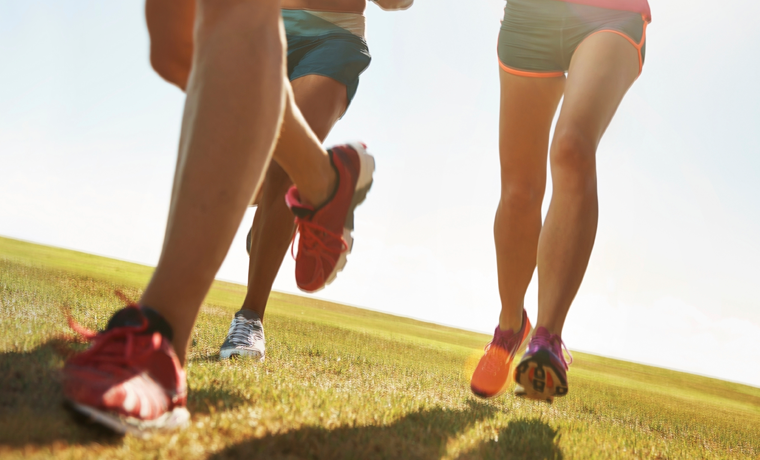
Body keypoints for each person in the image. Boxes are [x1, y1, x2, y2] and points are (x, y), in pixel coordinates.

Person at [61, 0, 410, 436]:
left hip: (332, 30)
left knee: (275, 175)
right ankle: (324, 182)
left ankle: (181, 332)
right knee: (171, 50)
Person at [469, 0, 650, 403]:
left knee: (572, 147)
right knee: (519, 191)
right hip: (531, 16)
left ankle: (547, 340)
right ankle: (510, 326)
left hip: (611, 14)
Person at [217, 1, 412, 362]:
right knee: (229, 177)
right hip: (266, 26)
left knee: (283, 166)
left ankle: (249, 318)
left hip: (334, 33)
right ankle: (324, 187)